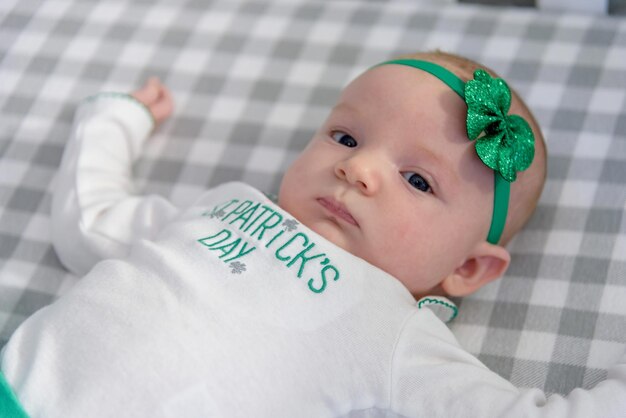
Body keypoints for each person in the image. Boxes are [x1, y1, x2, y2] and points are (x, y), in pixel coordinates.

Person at [0, 51, 624, 417]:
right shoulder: (225, 204)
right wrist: (115, 119)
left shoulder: (393, 330)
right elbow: (91, 220)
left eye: (417, 180)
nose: (358, 168)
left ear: (466, 269)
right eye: (346, 138)